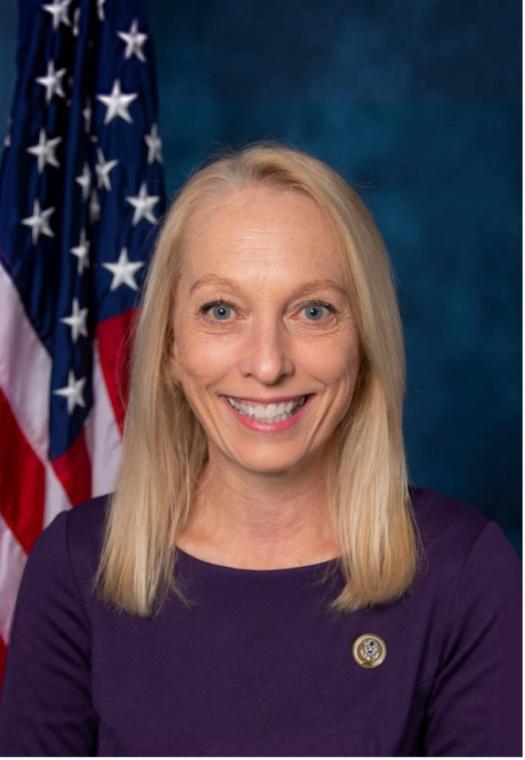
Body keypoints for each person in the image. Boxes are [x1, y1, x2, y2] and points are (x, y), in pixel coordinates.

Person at [0, 143, 521, 757]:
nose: (268, 364)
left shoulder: (467, 571)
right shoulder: (73, 565)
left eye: (313, 310)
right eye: (222, 310)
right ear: (169, 347)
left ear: (365, 339)